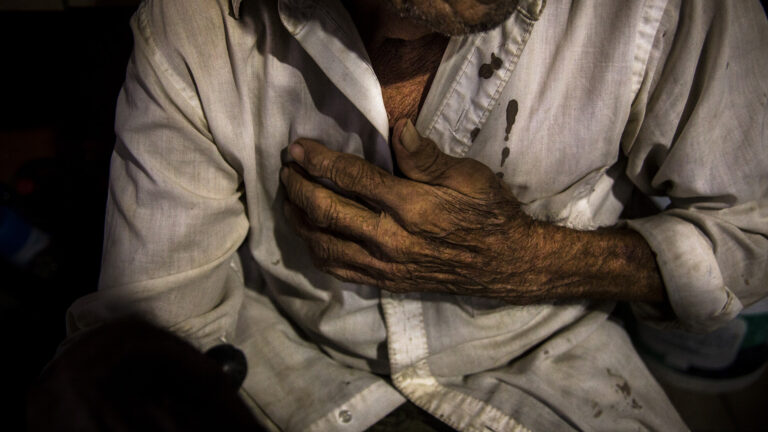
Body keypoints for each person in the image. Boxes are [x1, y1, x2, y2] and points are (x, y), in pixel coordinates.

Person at [65, 0, 768, 430]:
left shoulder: (670, 8)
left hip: (559, 385)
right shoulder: (195, 21)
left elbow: (753, 230)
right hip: (281, 381)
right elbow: (160, 326)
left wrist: (530, 260)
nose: (399, 38)